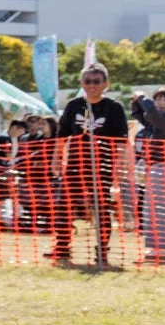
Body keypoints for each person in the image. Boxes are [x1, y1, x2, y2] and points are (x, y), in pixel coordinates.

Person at [52, 65, 128, 266]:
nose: (92, 85)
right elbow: (63, 134)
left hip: (103, 164)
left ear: (105, 84)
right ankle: (62, 246)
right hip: (76, 163)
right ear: (81, 84)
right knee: (64, 204)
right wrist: (57, 157)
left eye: (96, 81)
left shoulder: (114, 107)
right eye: (88, 81)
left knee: (101, 207)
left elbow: (121, 140)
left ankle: (102, 250)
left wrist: (119, 166)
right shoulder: (73, 105)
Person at [131, 87, 165, 264]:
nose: (161, 103)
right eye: (158, 99)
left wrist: (143, 97)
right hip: (155, 165)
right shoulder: (155, 121)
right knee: (153, 206)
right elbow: (141, 115)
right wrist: (136, 102)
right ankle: (160, 245)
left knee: (160, 206)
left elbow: (151, 113)